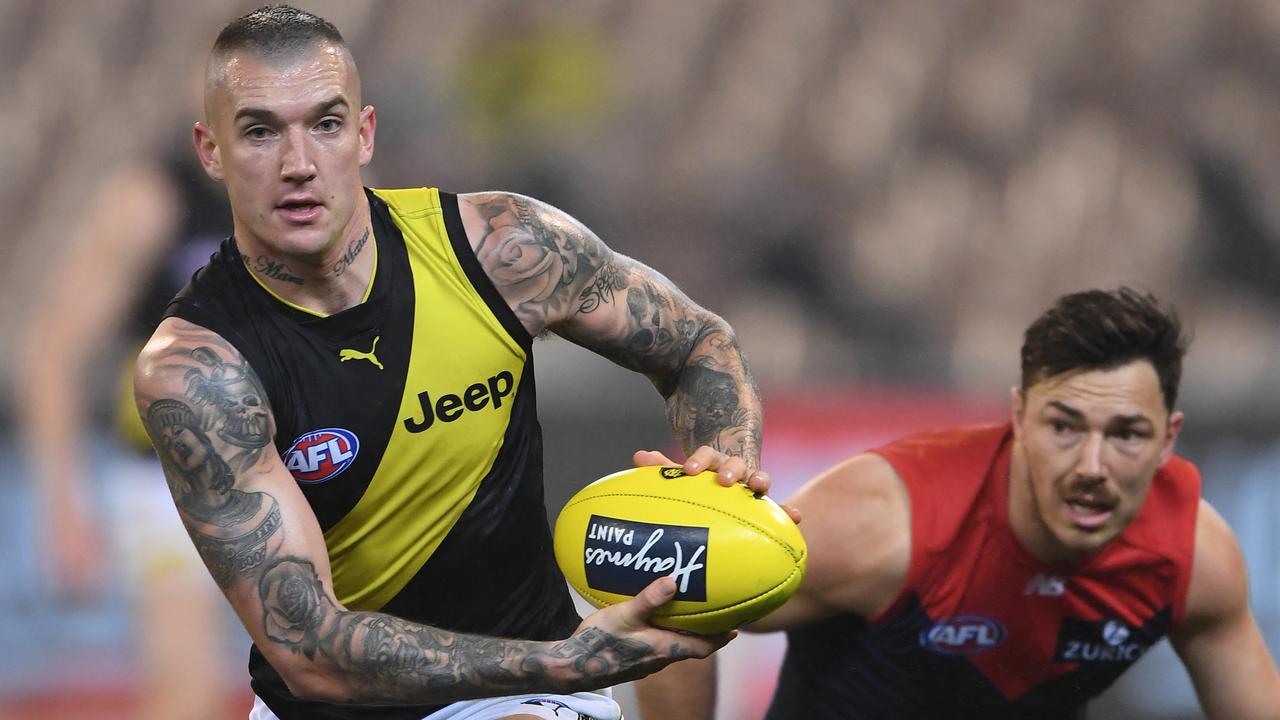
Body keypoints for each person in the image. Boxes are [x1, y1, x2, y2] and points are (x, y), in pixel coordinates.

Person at [131, 5, 776, 720]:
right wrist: (569, 659)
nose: (299, 165)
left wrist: (724, 465)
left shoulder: (502, 251)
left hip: (521, 695)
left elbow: (698, 345)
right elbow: (310, 648)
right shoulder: (198, 371)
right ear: (210, 150)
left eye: (326, 124)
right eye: (260, 131)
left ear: (365, 133)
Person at [636, 287, 1280, 719]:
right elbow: (678, 602)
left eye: (1127, 435)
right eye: (1064, 426)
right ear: (1019, 416)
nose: (1092, 467)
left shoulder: (1192, 554)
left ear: (1169, 438)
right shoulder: (883, 522)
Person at [15, 149, 244, 718]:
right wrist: (62, 506)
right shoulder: (155, 197)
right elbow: (51, 348)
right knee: (185, 681)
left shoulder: (319, 182)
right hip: (172, 480)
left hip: (295, 462)